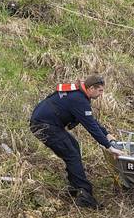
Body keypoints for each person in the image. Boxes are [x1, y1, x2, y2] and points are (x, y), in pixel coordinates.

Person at [29, 75, 123, 208]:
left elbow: (90, 120)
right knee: (71, 154)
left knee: (73, 146)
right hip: (44, 126)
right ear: (91, 88)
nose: (102, 94)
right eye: (100, 90)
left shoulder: (78, 95)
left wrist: (107, 134)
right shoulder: (79, 99)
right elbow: (90, 126)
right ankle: (84, 195)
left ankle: (75, 187)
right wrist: (109, 147)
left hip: (47, 124)